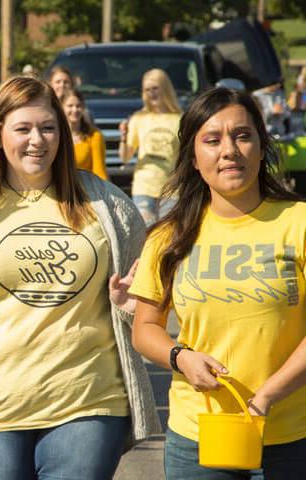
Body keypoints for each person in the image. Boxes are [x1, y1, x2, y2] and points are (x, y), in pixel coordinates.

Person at [0, 76, 160, 479]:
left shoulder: (109, 206)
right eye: (23, 128)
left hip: (88, 401)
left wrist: (131, 310)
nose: (37, 140)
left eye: (48, 128)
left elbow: (147, 304)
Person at [130, 87, 306, 479]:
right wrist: (181, 358)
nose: (229, 150)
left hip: (292, 438)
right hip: (198, 439)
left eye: (243, 136)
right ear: (194, 158)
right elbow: (144, 329)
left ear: (262, 147)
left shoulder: (299, 222)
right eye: (212, 140)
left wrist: (268, 395)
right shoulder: (168, 236)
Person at [119, 68, 182, 226]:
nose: (151, 93)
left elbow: (186, 156)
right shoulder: (139, 118)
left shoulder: (180, 119)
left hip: (172, 190)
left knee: (168, 237)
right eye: (147, 90)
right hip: (143, 188)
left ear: (165, 88)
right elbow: (125, 158)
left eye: (155, 88)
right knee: (146, 236)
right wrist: (123, 136)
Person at [61, 88, 108, 180]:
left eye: (78, 106)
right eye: (70, 106)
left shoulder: (94, 136)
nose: (75, 110)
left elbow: (99, 171)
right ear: (62, 108)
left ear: (83, 108)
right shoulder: (55, 136)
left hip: (85, 190)